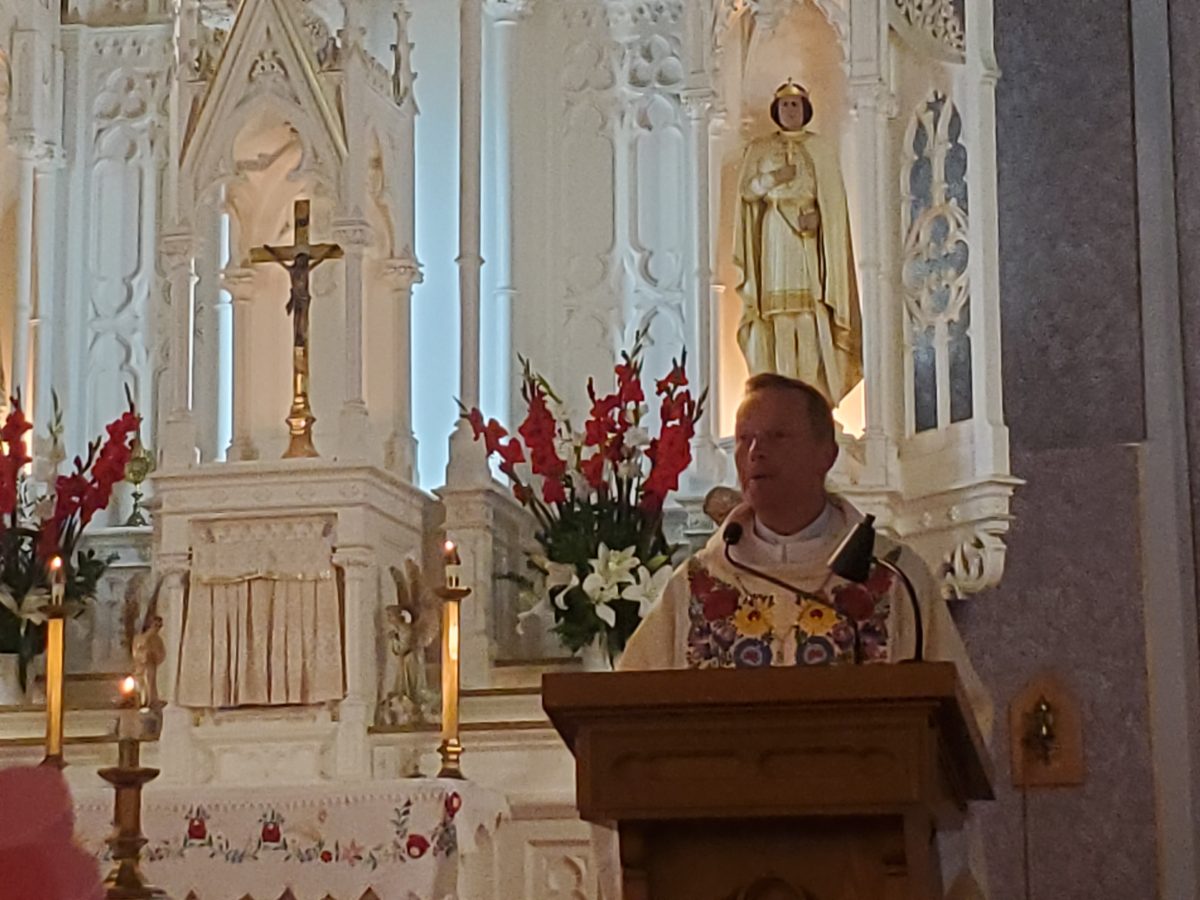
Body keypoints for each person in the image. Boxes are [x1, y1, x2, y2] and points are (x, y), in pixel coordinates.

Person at [617, 372, 992, 894]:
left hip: (866, 859)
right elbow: (627, 717)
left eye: (776, 436)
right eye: (744, 439)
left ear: (826, 454)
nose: (755, 452)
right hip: (717, 857)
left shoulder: (893, 576)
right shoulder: (697, 584)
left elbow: (965, 721)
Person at [734, 81, 862, 406]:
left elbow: (832, 205)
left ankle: (810, 402)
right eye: (785, 105)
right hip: (775, 232)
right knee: (779, 318)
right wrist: (775, 178)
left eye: (795, 105)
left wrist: (819, 219)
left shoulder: (819, 149)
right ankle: (781, 401)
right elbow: (748, 191)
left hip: (806, 237)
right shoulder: (761, 149)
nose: (790, 111)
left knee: (807, 317)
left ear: (806, 110)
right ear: (776, 111)